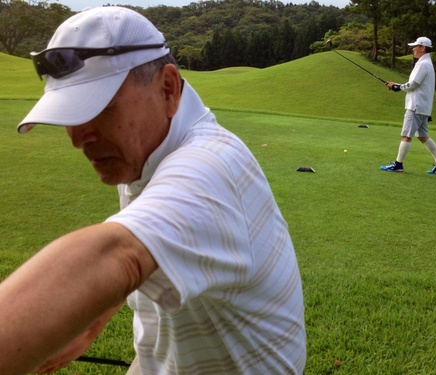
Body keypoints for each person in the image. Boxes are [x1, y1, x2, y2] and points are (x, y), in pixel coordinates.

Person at [0, 7, 306, 375]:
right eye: (70, 116)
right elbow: (149, 240)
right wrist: (96, 311)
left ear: (167, 88)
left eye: (102, 107)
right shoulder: (148, 155)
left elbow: (119, 253)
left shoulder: (210, 166)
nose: (79, 138)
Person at [381, 36, 436, 174]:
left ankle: (398, 164)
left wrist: (397, 87)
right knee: (422, 135)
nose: (413, 49)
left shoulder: (423, 64)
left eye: (415, 46)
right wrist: (397, 85)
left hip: (415, 106)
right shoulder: (425, 63)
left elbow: (412, 85)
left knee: (406, 135)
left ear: (422, 48)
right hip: (423, 106)